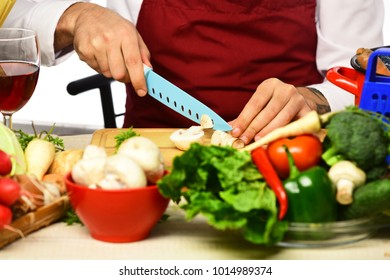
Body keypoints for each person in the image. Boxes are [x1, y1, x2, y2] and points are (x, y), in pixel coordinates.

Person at [4, 0, 385, 144]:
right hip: (147, 154)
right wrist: (78, 15)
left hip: (286, 156)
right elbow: (10, 22)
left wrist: (314, 98)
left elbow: (365, 78)